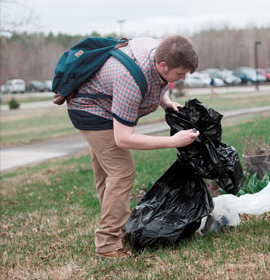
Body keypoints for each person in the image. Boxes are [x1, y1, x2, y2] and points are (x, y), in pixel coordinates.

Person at [66, 35, 200, 259]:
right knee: (121, 171)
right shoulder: (129, 79)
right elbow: (124, 138)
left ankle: (118, 228)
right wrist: (173, 141)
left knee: (109, 172)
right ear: (163, 64)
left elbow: (156, 81)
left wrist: (165, 101)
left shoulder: (157, 50)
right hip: (90, 109)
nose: (182, 78)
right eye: (179, 73)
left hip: (106, 103)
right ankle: (108, 244)